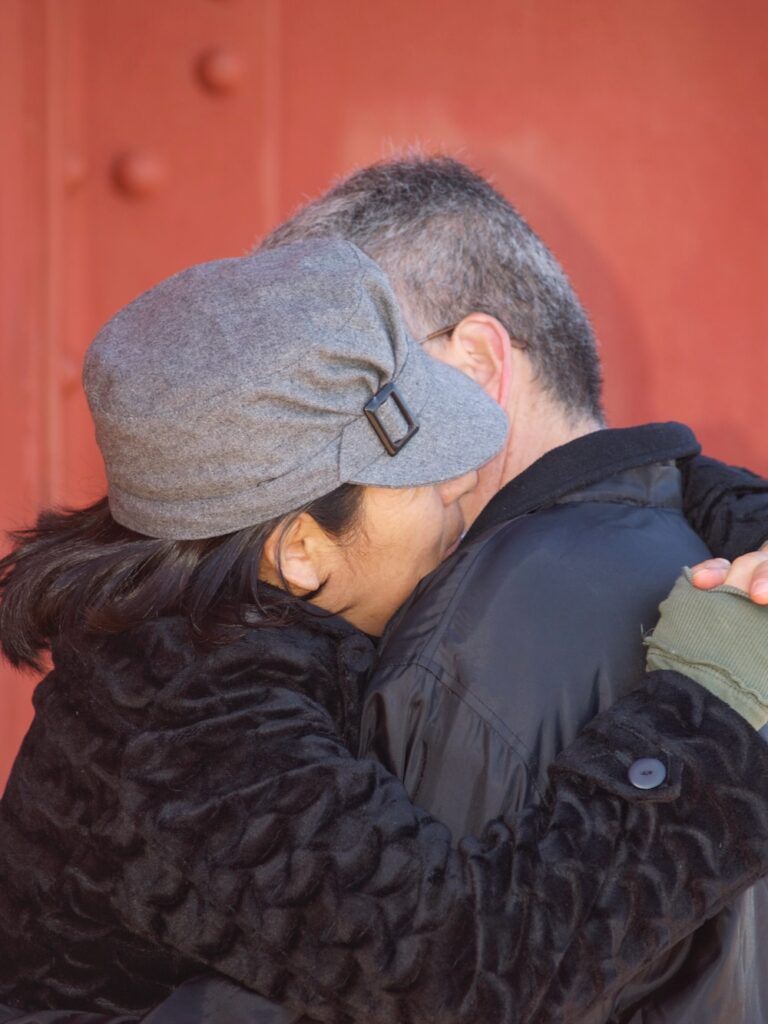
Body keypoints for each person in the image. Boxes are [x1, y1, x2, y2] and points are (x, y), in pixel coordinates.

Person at [1, 239, 768, 1024]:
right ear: (298, 550)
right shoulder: (187, 733)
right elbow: (476, 972)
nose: (464, 479)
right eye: (422, 474)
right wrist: (715, 708)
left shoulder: (239, 590)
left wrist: (749, 524)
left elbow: (561, 489)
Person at [257, 157, 768, 1022]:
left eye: (338, 397)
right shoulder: (687, 545)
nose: (302, 456)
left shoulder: (485, 626)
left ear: (477, 364)